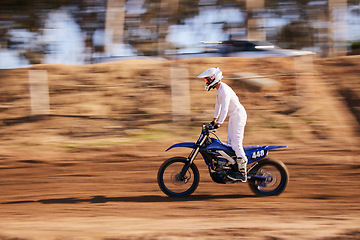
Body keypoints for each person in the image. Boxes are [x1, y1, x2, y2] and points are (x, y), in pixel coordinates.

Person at [197, 67, 248, 182]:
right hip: (233, 116)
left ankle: (242, 172)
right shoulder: (218, 89)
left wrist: (219, 123)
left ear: (214, 78)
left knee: (236, 144)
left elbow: (224, 108)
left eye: (207, 80)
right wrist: (214, 120)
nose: (206, 82)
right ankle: (233, 168)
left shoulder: (224, 89)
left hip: (238, 115)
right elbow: (218, 105)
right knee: (230, 143)